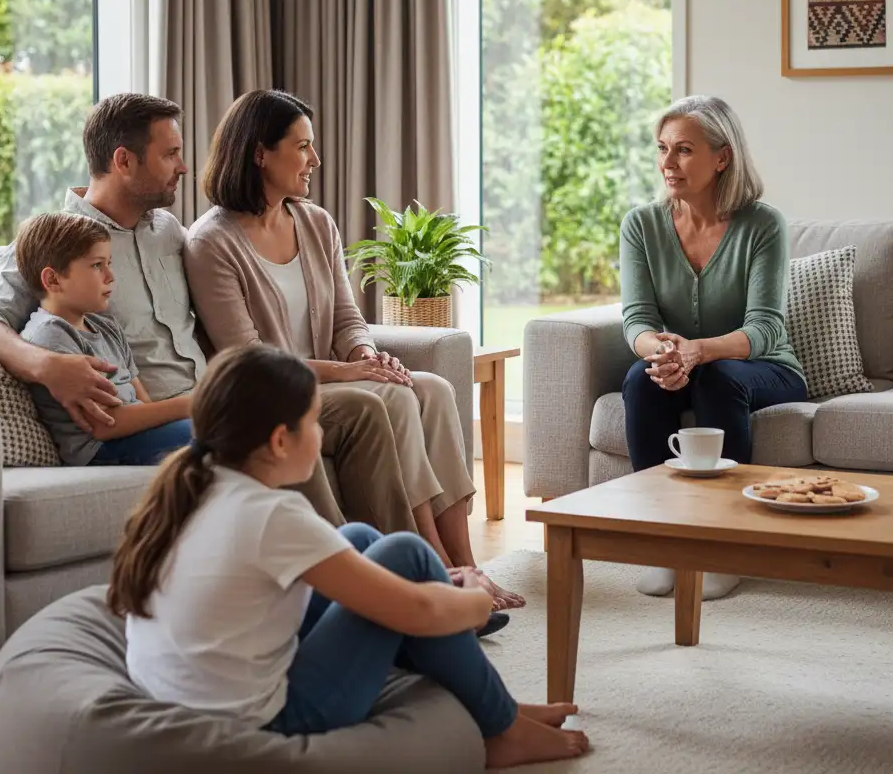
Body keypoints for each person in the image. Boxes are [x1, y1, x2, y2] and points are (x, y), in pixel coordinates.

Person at [109, 344, 589, 765]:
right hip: (269, 720)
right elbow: (419, 611)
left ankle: (494, 705)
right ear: (280, 441)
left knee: (360, 538)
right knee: (405, 555)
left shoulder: (196, 482)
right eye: (314, 422)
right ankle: (501, 729)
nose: (320, 435)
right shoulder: (271, 514)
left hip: (190, 700)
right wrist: (477, 598)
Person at [0, 95, 414, 535]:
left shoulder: (171, 233)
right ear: (123, 161)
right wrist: (46, 366)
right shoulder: (59, 245)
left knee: (359, 411)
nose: (184, 167)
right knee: (274, 433)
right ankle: (343, 562)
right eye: (170, 154)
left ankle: (395, 564)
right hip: (155, 420)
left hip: (213, 399)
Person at [183, 89, 524, 615]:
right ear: (259, 154)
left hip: (331, 376)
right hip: (274, 394)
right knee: (390, 401)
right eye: (302, 147)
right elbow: (249, 359)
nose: (314, 160)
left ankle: (468, 562)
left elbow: (347, 318)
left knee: (430, 388)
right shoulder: (212, 243)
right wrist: (349, 370)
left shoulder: (315, 223)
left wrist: (370, 354)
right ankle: (434, 572)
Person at [620, 95, 808, 600]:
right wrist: (657, 351)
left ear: (722, 156)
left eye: (683, 150)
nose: (667, 163)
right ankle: (663, 544)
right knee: (640, 380)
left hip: (763, 368)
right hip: (683, 364)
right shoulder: (641, 225)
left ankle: (724, 547)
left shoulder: (763, 224)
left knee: (719, 377)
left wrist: (698, 351)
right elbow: (637, 319)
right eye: (662, 148)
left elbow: (765, 327)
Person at [14, 212, 192, 465]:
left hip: (134, 434)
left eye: (109, 263)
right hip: (101, 448)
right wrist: (191, 405)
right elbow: (103, 425)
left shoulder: (107, 327)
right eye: (97, 265)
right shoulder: (49, 334)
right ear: (53, 279)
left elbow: (143, 402)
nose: (110, 276)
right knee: (208, 435)